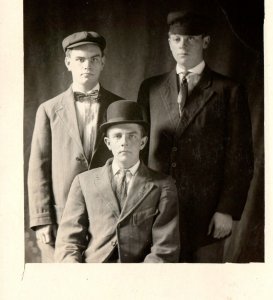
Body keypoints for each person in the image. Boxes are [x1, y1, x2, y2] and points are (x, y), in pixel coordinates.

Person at [137, 11, 254, 262]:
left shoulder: (228, 90)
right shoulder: (151, 88)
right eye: (177, 39)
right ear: (169, 41)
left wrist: (226, 209)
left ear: (206, 42)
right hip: (158, 212)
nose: (183, 45)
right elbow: (141, 151)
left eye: (191, 38)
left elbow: (240, 157)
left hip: (207, 215)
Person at [28, 31, 123, 262]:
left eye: (93, 59)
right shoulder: (49, 110)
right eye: (80, 59)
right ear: (68, 62)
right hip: (62, 218)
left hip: (107, 219)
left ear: (103, 62)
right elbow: (38, 168)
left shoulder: (119, 106)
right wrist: (42, 221)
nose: (87, 65)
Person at [54, 100, 180, 263]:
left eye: (132, 136)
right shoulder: (84, 182)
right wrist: (78, 276)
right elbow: (68, 243)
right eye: (117, 136)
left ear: (142, 142)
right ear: (108, 143)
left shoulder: (163, 185)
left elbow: (164, 249)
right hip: (93, 273)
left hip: (137, 277)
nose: (124, 142)